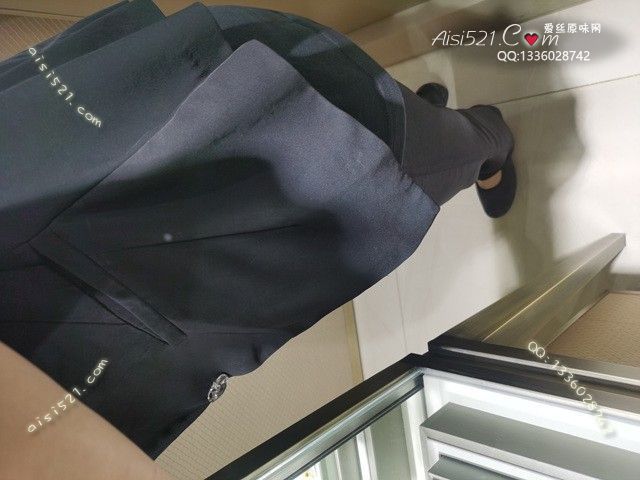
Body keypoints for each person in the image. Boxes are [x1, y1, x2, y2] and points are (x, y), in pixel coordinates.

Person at [0, 0, 515, 473]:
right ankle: (426, 121)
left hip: (265, 128)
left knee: (432, 143)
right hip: (164, 91)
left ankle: (487, 140)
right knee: (400, 123)